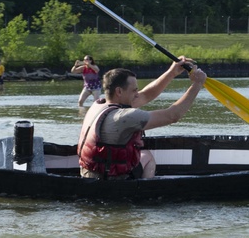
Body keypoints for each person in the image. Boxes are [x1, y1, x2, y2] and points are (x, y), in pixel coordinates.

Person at [78, 61, 207, 180]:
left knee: (144, 153)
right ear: (119, 91)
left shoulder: (99, 104)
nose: (137, 94)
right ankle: (143, 191)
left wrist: (172, 72)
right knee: (148, 158)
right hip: (109, 179)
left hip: (88, 173)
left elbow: (145, 95)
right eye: (134, 90)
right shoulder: (124, 117)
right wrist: (197, 84)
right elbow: (172, 116)